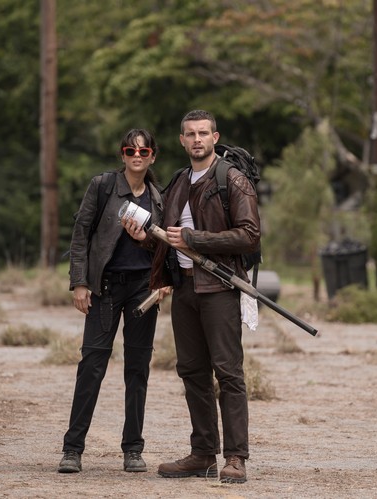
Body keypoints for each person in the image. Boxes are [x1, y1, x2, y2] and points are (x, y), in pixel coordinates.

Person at [124, 110, 260, 483]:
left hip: (220, 288)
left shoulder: (232, 179)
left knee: (228, 373)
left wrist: (195, 238)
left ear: (215, 137)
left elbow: (250, 235)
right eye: (190, 134)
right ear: (182, 140)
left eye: (203, 133)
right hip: (184, 289)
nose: (197, 139)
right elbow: (167, 237)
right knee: (192, 372)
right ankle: (203, 454)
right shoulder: (179, 181)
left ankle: (236, 458)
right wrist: (145, 237)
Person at [58, 128, 164, 474]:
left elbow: (162, 247)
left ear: (152, 156)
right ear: (122, 155)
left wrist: (163, 281)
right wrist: (79, 283)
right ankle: (72, 449)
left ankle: (133, 449)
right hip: (105, 287)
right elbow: (81, 234)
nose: (137, 156)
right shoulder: (103, 186)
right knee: (92, 366)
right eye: (130, 151)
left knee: (137, 369)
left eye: (143, 151)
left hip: (142, 289)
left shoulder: (158, 197)